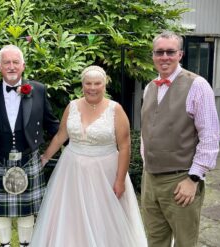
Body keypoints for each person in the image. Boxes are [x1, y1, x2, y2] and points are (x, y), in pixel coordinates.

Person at [30, 65, 147, 246]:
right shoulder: (72, 106)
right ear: (82, 85)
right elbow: (61, 135)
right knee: (71, 216)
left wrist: (120, 180)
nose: (92, 88)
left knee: (102, 216)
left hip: (105, 172)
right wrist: (45, 158)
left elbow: (124, 146)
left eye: (97, 83)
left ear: (104, 85)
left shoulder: (115, 110)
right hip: (71, 171)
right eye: (88, 83)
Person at [0, 45, 59, 247]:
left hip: (28, 157)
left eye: (15, 62)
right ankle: (4, 245)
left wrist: (73, 142)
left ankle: (25, 244)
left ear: (23, 66)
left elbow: (51, 123)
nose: (11, 67)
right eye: (6, 63)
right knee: (0, 209)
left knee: (26, 209)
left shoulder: (37, 89)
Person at [140, 30, 220, 247]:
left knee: (185, 242)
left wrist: (193, 178)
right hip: (150, 180)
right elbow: (147, 133)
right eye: (159, 52)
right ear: (153, 55)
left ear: (180, 54)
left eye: (170, 51)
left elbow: (210, 136)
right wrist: (147, 170)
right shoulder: (148, 88)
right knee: (155, 241)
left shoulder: (197, 85)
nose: (164, 57)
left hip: (181, 180)